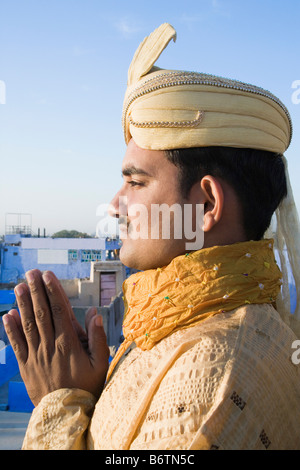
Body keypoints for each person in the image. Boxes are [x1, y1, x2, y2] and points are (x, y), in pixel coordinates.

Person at [3, 23, 300, 450]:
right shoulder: (181, 325)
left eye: (136, 183)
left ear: (206, 206)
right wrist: (90, 393)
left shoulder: (211, 384)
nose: (114, 204)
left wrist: (58, 405)